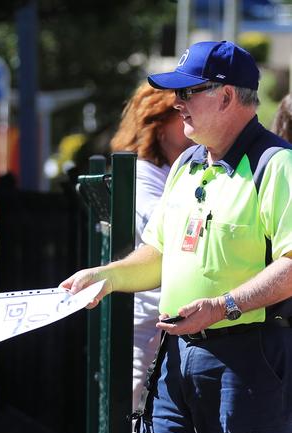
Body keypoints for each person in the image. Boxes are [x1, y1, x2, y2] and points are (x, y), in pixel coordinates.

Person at [60, 40, 292, 433]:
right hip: (176, 359)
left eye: (188, 92)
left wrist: (223, 305)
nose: (177, 103)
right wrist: (106, 277)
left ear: (226, 96)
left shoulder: (276, 164)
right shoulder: (186, 164)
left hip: (246, 362)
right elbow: (159, 254)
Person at [110, 82, 192, 414]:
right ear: (156, 122)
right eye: (179, 110)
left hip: (175, 314)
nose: (189, 114)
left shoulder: (192, 165)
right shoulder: (143, 172)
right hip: (146, 316)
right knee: (136, 411)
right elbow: (163, 230)